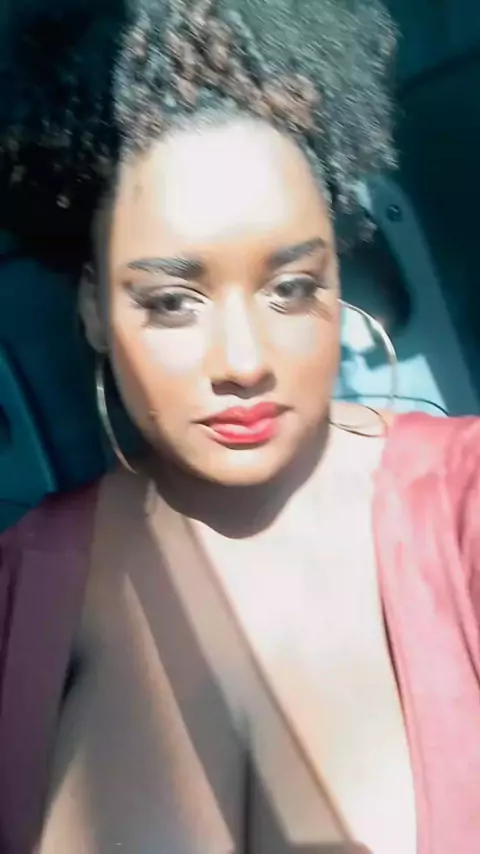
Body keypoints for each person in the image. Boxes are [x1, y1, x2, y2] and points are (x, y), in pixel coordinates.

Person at [1, 1, 480, 853]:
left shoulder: (463, 504)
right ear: (95, 310)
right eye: (172, 301)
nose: (245, 360)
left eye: (290, 288)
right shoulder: (18, 584)